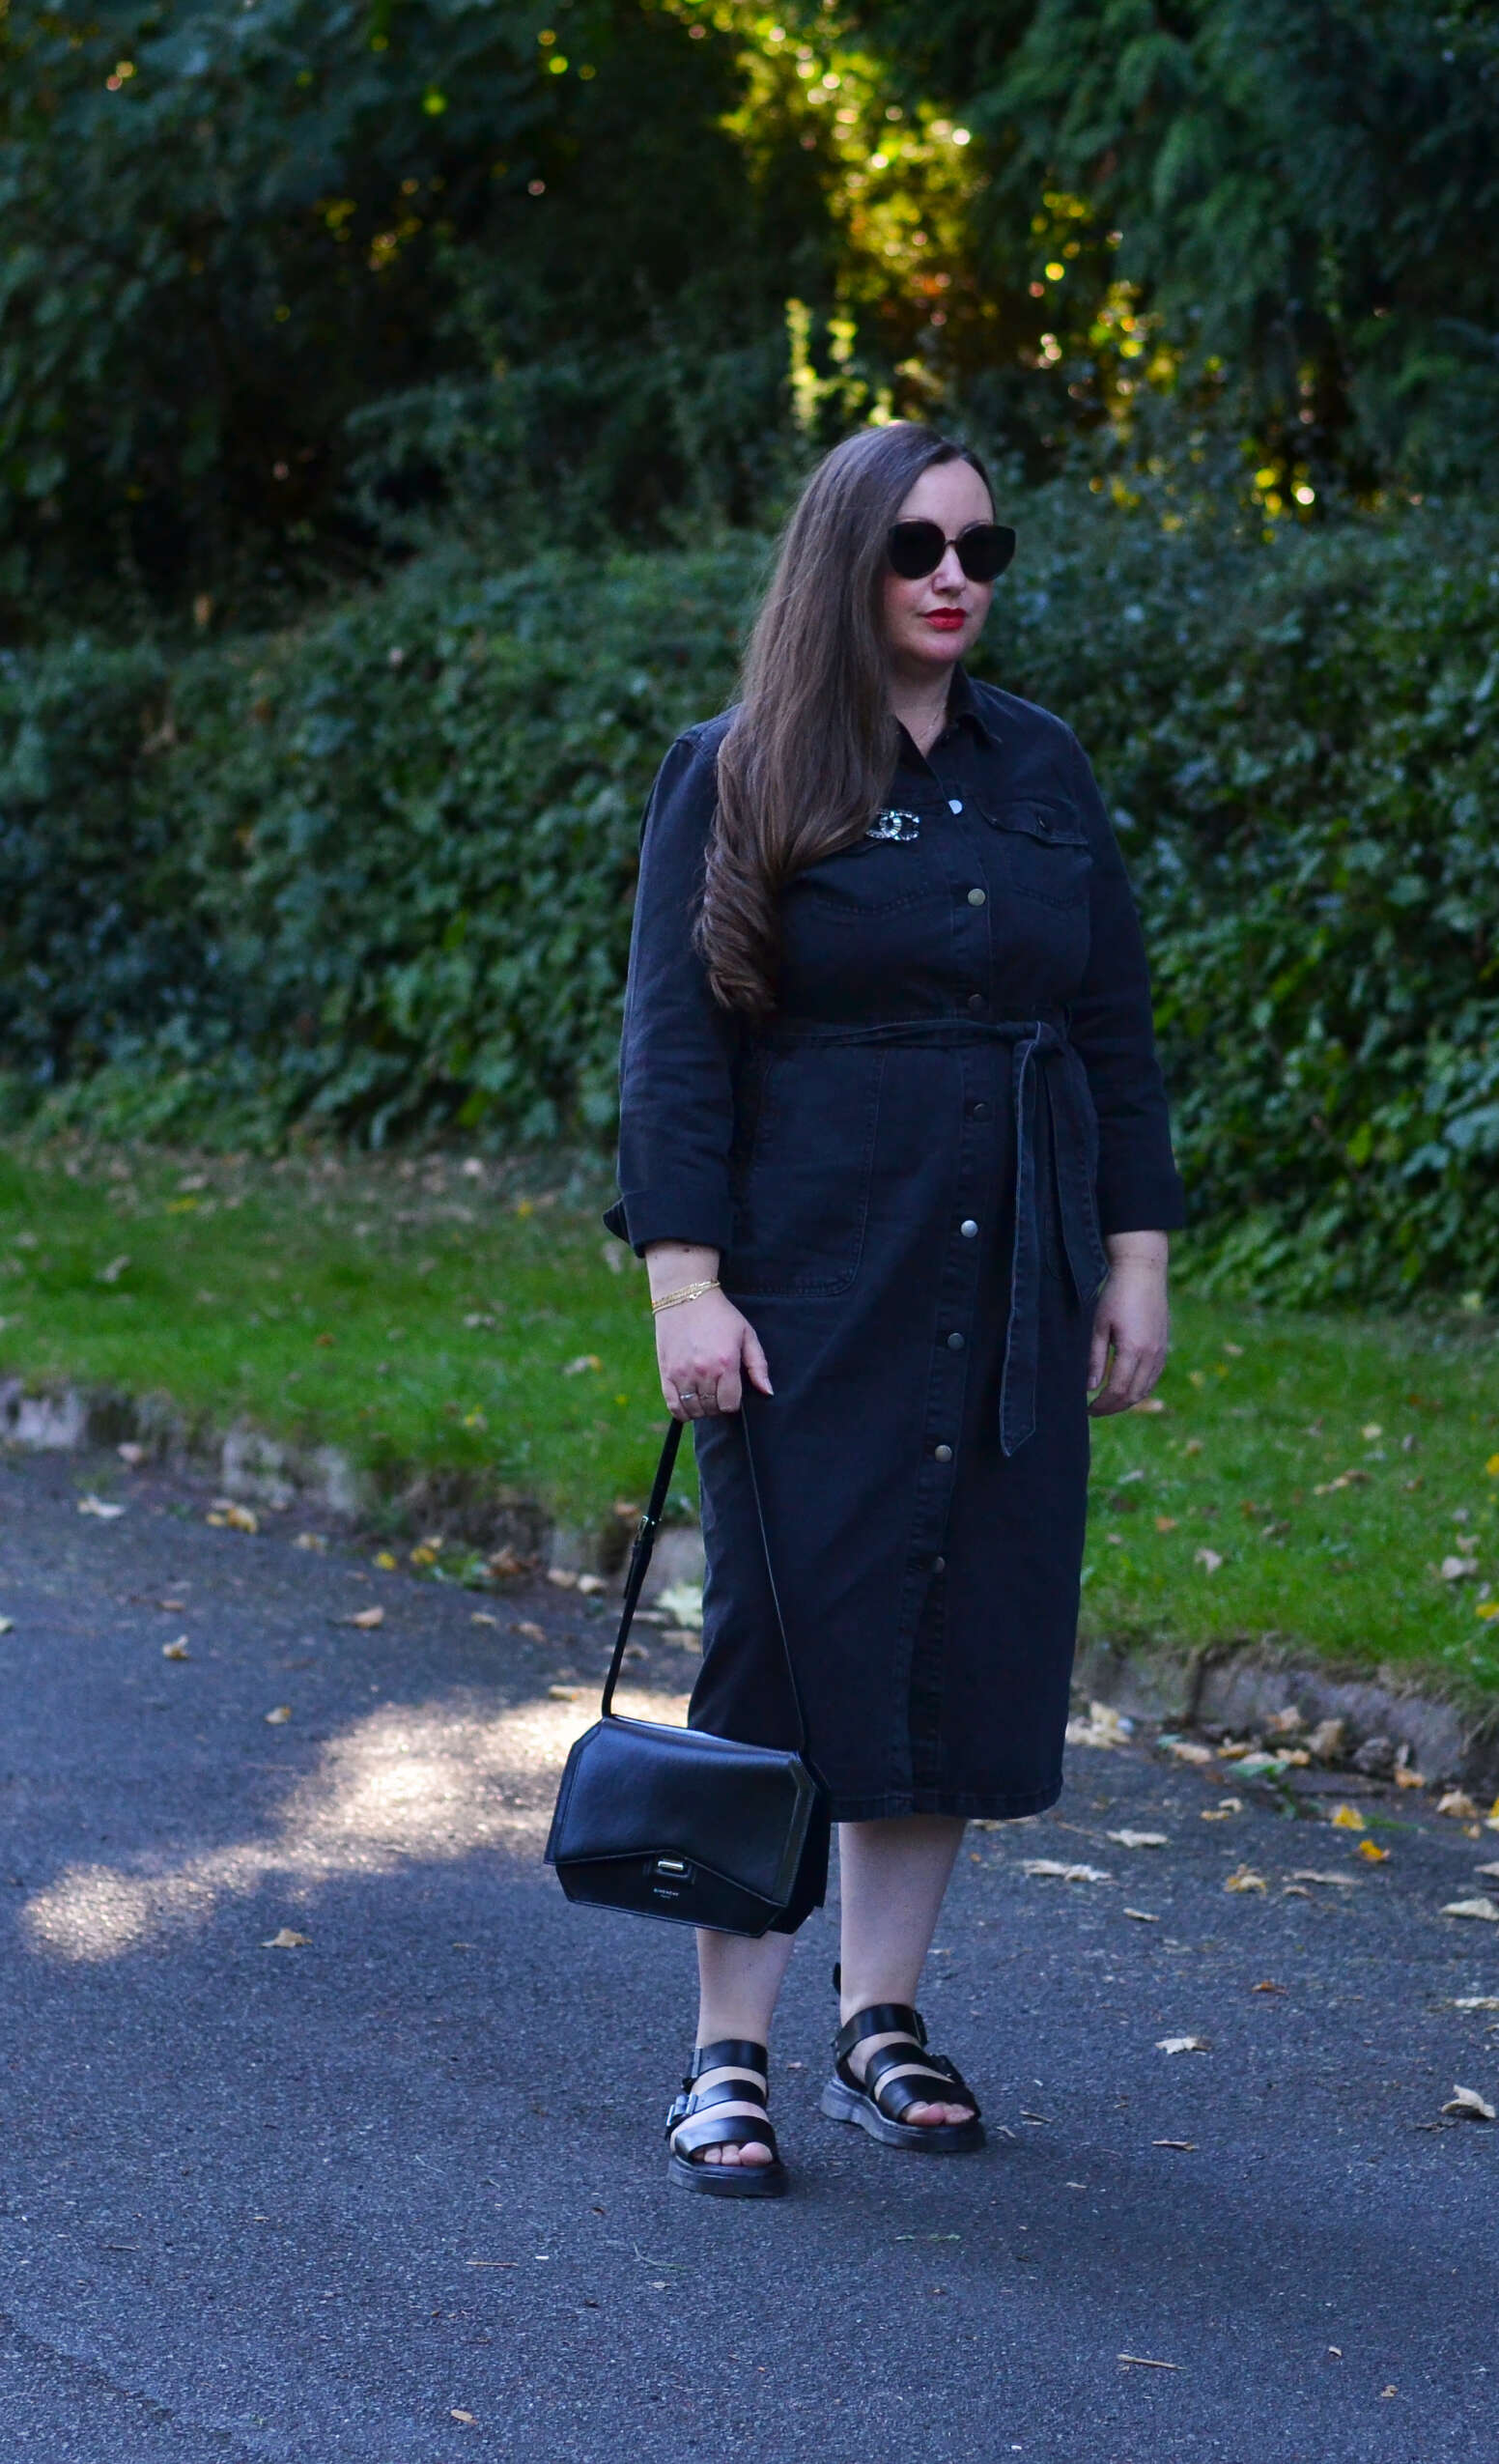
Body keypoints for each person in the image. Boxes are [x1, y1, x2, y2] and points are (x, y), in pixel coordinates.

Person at [607, 422, 1185, 2197]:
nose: (956, 578)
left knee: (958, 1627)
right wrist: (686, 1285)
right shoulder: (742, 766)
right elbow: (676, 1046)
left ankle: (883, 2019)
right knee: (783, 1644)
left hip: (1007, 1260)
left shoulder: (1041, 765)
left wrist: (1133, 1256)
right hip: (812, 1276)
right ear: (843, 559)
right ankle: (726, 2053)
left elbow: (1111, 1029)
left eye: (983, 551)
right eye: (919, 547)